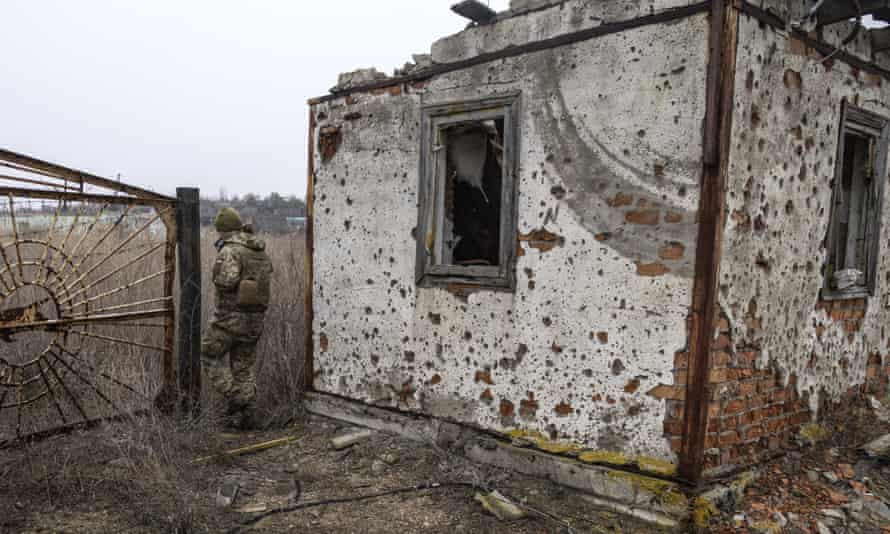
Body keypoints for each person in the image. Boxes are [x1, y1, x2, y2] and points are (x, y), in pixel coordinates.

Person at [202, 207, 273, 428]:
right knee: (243, 368)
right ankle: (249, 420)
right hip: (255, 321)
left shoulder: (230, 250)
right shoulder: (259, 249)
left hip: (230, 320)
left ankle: (237, 397)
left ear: (223, 230)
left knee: (208, 355)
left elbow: (226, 281)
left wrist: (216, 271)